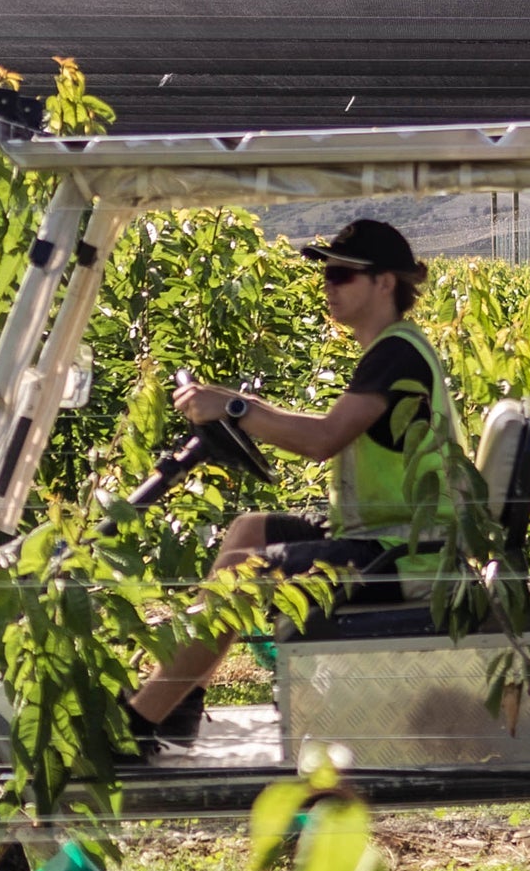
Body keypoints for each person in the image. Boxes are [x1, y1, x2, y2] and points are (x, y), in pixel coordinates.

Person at [127, 216, 463, 746]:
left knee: (248, 569)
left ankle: (136, 726)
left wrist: (234, 407)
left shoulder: (397, 354)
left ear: (385, 283)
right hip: (384, 536)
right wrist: (238, 410)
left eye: (341, 276)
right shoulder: (390, 350)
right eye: (326, 275)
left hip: (412, 551)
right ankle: (176, 703)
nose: (327, 286)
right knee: (248, 532)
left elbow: (322, 439)